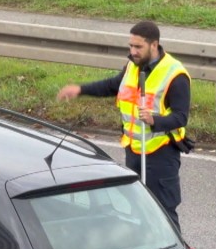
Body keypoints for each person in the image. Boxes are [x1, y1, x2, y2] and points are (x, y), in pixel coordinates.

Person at [57, 20, 191, 229]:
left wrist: (155, 120)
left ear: (154, 45)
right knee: (140, 208)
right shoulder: (133, 66)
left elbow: (181, 117)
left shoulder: (175, 74)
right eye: (131, 46)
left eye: (138, 47)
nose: (133, 51)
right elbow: (112, 86)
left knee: (163, 211)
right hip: (134, 149)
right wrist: (81, 90)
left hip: (160, 152)